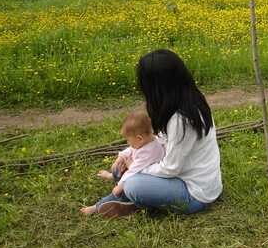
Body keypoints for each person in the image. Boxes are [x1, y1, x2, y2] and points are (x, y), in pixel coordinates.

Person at [98, 49, 222, 218]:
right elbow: (162, 145)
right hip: (200, 183)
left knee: (134, 184)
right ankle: (133, 199)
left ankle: (135, 200)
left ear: (157, 86)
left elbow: (171, 168)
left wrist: (137, 168)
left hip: (196, 195)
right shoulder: (189, 103)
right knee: (133, 174)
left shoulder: (181, 120)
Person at [79, 111, 166, 218]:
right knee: (120, 167)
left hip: (142, 181)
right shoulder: (146, 142)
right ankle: (113, 177)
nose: (127, 142)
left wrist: (120, 186)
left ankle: (96, 207)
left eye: (128, 140)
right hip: (136, 172)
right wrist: (121, 157)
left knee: (119, 193)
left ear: (139, 138)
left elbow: (133, 171)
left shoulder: (149, 153)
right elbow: (131, 149)